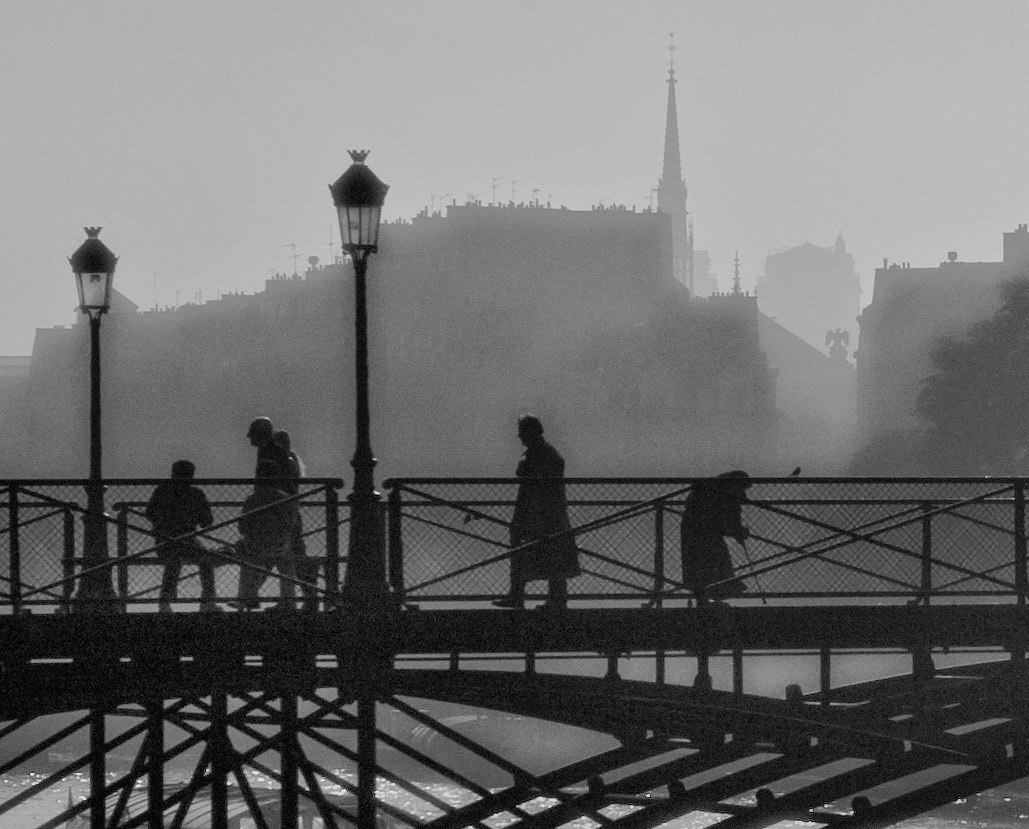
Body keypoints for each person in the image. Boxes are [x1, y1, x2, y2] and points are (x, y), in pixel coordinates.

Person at [494, 415, 579, 610]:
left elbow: (533, 479)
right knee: (548, 551)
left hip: (540, 512)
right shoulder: (545, 453)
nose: (519, 436)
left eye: (522, 431)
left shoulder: (540, 454)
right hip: (542, 511)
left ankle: (525, 596)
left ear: (531, 431)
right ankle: (551, 597)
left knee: (538, 551)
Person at [145, 460, 219, 613]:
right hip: (188, 539)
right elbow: (207, 522)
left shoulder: (163, 491)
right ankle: (208, 601)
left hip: (165, 539)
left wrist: (165, 523)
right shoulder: (196, 494)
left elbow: (150, 513)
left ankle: (165, 601)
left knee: (175, 560)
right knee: (205, 559)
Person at [231, 460, 296, 610]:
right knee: (284, 561)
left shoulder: (253, 499)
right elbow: (291, 525)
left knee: (243, 549)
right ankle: (288, 599)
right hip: (281, 545)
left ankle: (247, 596)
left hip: (257, 545)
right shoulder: (287, 498)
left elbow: (243, 527)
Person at [680, 470, 752, 604]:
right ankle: (712, 598)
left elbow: (723, 519)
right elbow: (728, 520)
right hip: (706, 534)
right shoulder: (724, 494)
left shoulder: (710, 488)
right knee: (716, 564)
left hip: (693, 532)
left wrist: (736, 531)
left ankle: (704, 598)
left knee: (699, 566)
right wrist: (739, 532)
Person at [274, 429, 319, 612]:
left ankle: (303, 596)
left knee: (291, 555)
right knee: (295, 554)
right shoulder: (292, 462)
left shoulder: (286, 463)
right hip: (292, 513)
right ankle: (304, 596)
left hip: (287, 514)